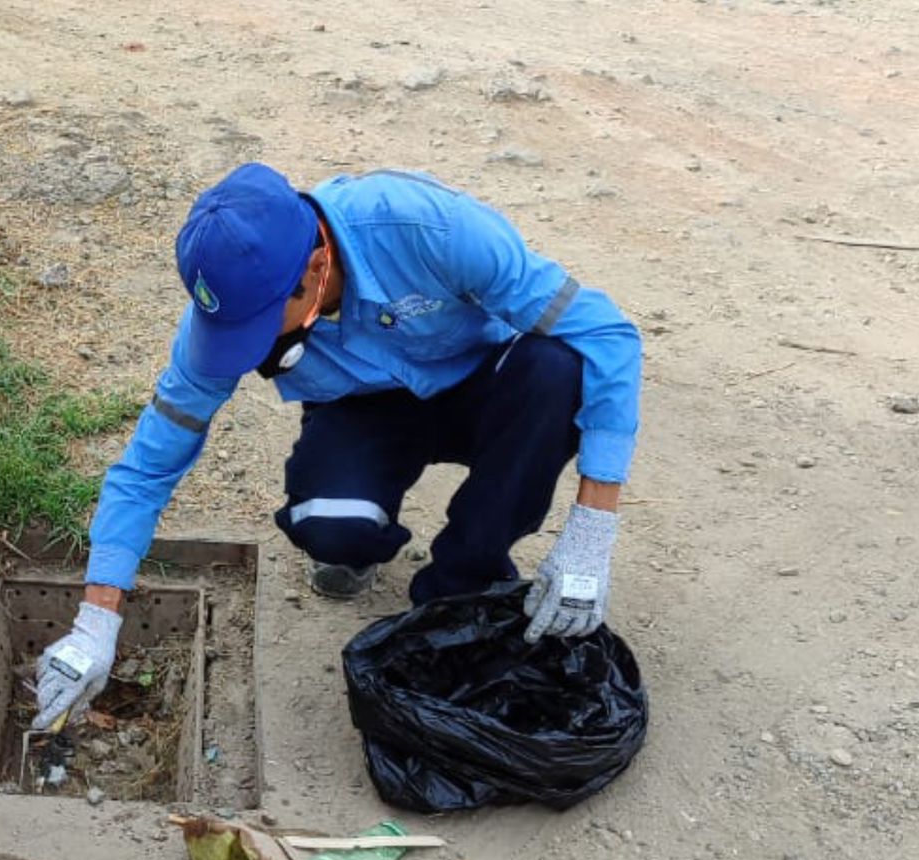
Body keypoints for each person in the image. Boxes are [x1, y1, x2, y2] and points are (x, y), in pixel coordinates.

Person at [32, 162, 642, 730]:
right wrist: (96, 619)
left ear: (317, 263)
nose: (248, 341)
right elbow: (147, 468)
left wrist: (592, 530)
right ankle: (364, 543)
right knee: (330, 523)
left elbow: (609, 334)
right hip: (366, 409)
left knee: (557, 370)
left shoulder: (429, 227)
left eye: (264, 318)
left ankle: (463, 584)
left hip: (486, 386)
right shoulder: (219, 326)